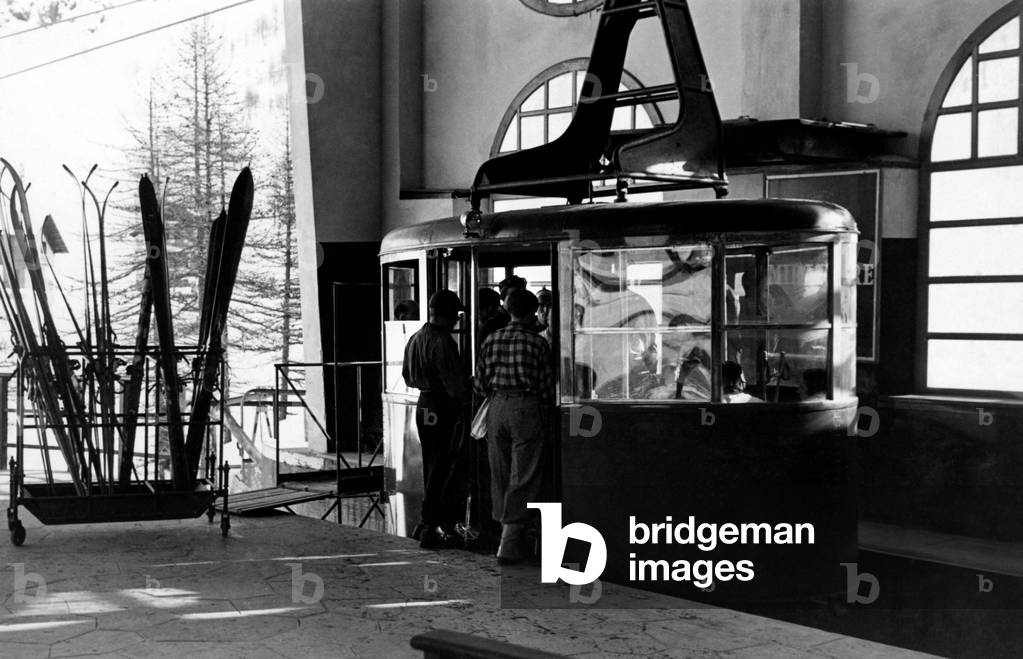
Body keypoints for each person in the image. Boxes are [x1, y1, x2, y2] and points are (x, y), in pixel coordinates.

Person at [473, 288, 554, 564]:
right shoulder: (537, 343)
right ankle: (509, 542)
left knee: (500, 472)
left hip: (496, 408)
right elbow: (546, 387)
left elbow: (479, 384)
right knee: (525, 474)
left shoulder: (491, 339)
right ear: (533, 312)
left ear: (508, 309)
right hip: (526, 407)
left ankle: (504, 532)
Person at [402, 289, 471, 548]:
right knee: (444, 465)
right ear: (448, 314)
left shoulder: (415, 338)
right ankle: (431, 524)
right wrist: (467, 396)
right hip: (443, 406)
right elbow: (454, 384)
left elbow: (407, 376)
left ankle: (429, 522)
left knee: (432, 463)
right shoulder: (443, 342)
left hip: (424, 404)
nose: (456, 320)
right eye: (455, 315)